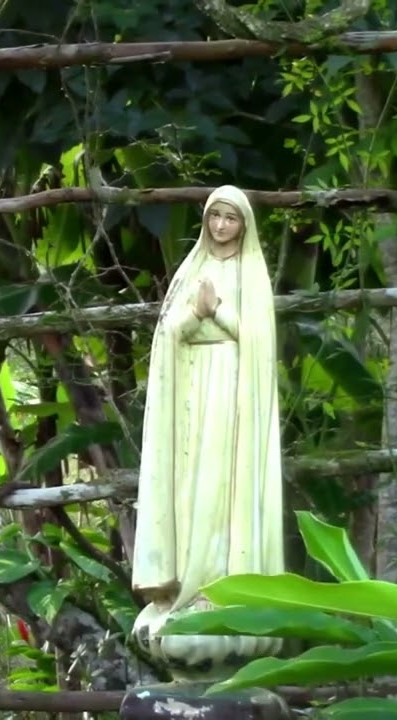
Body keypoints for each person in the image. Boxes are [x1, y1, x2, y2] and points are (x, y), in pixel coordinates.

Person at [129, 185, 285, 679]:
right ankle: (185, 589)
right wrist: (194, 316)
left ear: (244, 225)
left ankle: (219, 588)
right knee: (191, 494)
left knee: (224, 493)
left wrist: (216, 313)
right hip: (192, 401)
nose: (221, 227)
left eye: (230, 219)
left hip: (234, 404)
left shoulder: (251, 275)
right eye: (214, 217)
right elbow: (169, 332)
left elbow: (256, 340)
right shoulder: (191, 269)